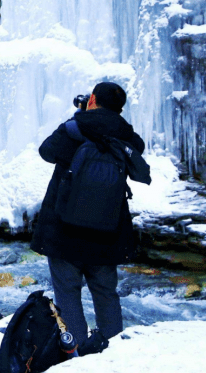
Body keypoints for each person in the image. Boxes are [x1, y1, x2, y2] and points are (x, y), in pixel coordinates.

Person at [31, 81, 145, 355]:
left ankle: (76, 353)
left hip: (64, 230)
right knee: (105, 292)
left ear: (92, 99)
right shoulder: (125, 135)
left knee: (68, 293)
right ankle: (113, 351)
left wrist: (79, 116)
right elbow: (138, 151)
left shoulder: (75, 128)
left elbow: (47, 151)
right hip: (107, 230)